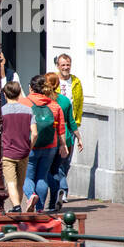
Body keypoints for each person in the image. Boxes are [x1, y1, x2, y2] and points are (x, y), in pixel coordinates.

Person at [20, 73, 68, 211]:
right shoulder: (54, 105)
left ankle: (31, 196)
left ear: (30, 88)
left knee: (27, 177)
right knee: (42, 177)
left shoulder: (24, 103)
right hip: (50, 146)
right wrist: (63, 145)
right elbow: (61, 129)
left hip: (30, 146)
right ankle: (40, 209)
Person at [52, 53, 84, 206]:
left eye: (68, 64)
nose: (66, 67)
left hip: (71, 125)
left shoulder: (76, 81)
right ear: (58, 66)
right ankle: (62, 188)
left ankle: (61, 189)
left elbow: (79, 102)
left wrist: (77, 124)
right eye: (63, 65)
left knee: (66, 161)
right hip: (57, 126)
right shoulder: (53, 81)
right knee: (58, 160)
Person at [0, 80, 37, 211]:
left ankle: (16, 207)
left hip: (8, 152)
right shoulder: (28, 110)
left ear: (5, 94)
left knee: (11, 182)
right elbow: (35, 133)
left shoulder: (1, 112)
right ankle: (18, 207)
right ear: (19, 93)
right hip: (24, 151)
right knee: (20, 183)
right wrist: (29, 147)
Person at [44, 70, 77, 209]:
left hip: (50, 138)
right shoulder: (64, 100)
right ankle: (59, 192)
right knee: (58, 168)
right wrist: (79, 138)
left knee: (46, 171)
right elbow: (71, 121)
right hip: (66, 138)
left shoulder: (44, 100)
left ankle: (51, 199)